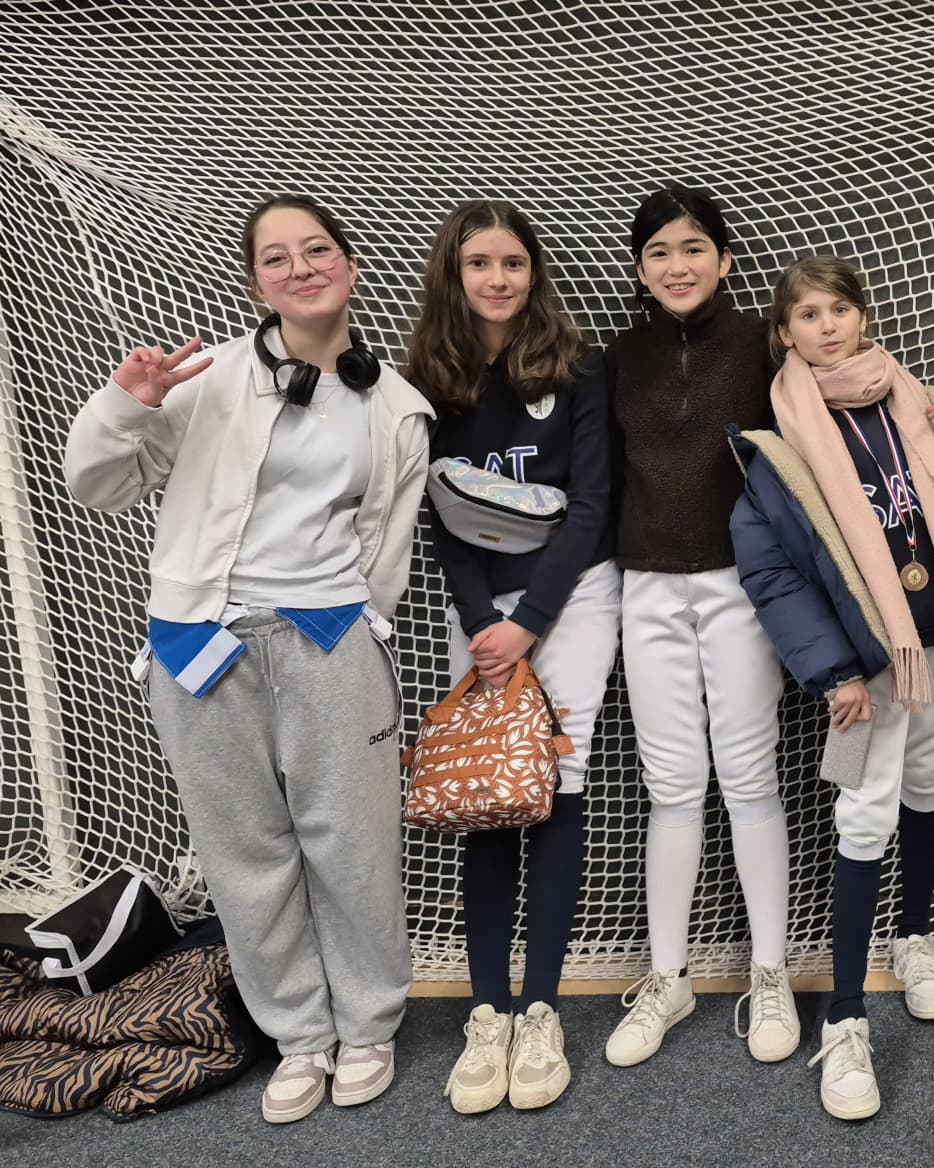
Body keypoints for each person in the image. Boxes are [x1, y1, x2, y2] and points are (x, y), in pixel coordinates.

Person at [64, 194, 433, 1122]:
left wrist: (360, 631)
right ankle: (300, 1037)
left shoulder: (397, 406)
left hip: (329, 640)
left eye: (317, 250)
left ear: (349, 265)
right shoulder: (205, 380)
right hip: (202, 646)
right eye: (277, 258)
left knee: (353, 846)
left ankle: (369, 1025)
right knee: (244, 855)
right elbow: (97, 487)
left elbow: (385, 552)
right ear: (257, 283)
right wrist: (125, 404)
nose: (301, 268)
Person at [730, 255, 934, 1119]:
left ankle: (916, 938)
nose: (827, 326)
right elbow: (774, 572)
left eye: (839, 310)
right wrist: (835, 671)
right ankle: (846, 1017)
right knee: (864, 814)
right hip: (869, 661)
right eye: (808, 315)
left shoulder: (915, 399)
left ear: (863, 316)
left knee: (929, 784)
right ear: (784, 334)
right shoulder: (779, 443)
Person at [406, 200, 620, 1112]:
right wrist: (480, 622)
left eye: (514, 263)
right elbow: (440, 516)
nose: (498, 279)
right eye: (480, 264)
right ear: (454, 275)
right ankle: (486, 1012)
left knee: (556, 783)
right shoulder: (429, 381)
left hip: (572, 601)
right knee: (491, 790)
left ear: (534, 273)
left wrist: (529, 621)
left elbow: (593, 505)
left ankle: (541, 1012)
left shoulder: (577, 367)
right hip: (482, 615)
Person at [603, 185, 797, 1068]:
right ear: (640, 270)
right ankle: (668, 977)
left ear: (723, 258)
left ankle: (770, 972)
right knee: (673, 785)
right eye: (658, 253)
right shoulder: (620, 357)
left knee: (750, 777)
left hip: (742, 585)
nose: (676, 266)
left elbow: (828, 417)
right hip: (645, 587)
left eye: (692, 249)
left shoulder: (764, 342)